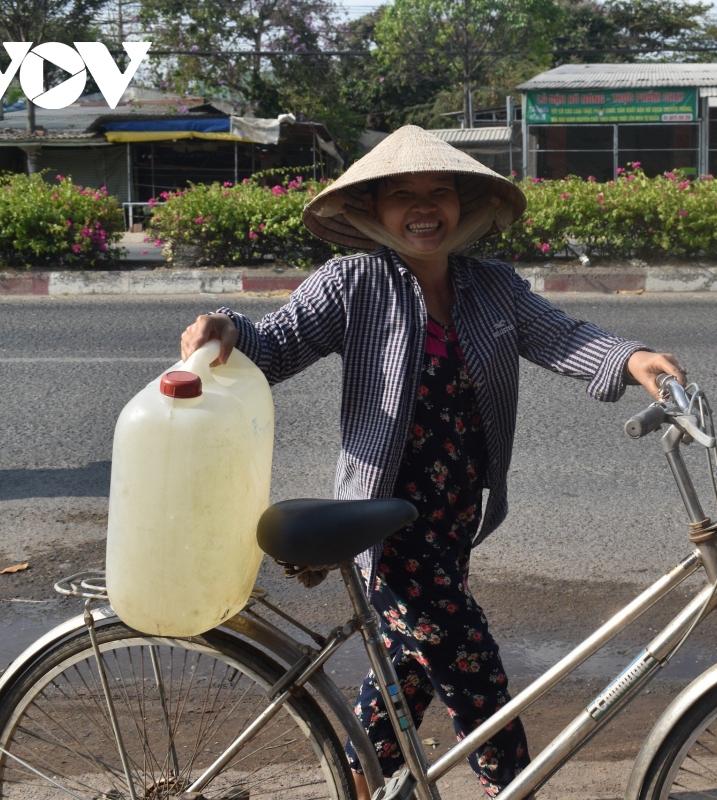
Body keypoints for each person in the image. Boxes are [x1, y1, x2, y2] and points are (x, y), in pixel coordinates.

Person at [180, 125, 685, 798]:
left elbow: (561, 334)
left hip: (451, 515)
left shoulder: (492, 287)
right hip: (385, 525)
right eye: (403, 195)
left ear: (463, 205)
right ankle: (510, 787)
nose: (424, 208)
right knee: (472, 668)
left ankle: (361, 782)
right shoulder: (354, 283)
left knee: (408, 666)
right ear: (374, 210)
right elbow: (276, 342)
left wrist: (631, 359)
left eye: (439, 192)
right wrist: (224, 328)